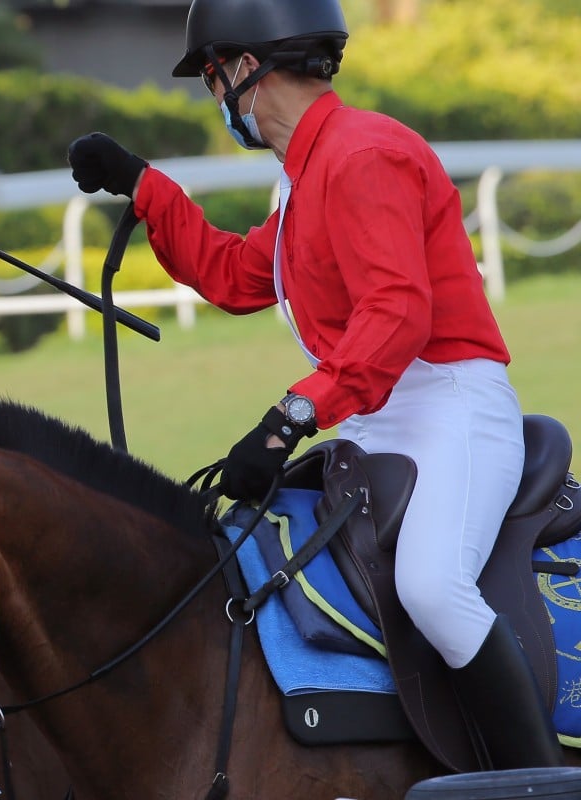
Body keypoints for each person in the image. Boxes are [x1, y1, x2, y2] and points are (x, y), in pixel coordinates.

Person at [66, 0, 562, 770]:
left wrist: (291, 416)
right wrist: (145, 186)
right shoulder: (302, 178)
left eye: (211, 77)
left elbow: (396, 313)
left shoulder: (364, 154)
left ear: (246, 67)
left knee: (432, 586)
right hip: (374, 416)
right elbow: (235, 275)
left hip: (449, 408)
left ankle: (536, 780)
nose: (215, 95)